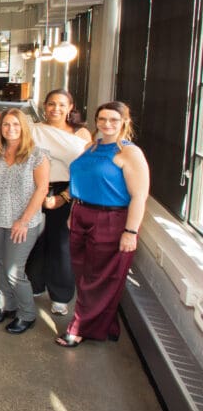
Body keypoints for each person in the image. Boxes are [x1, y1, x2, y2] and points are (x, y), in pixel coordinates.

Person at [57, 101, 149, 348]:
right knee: (84, 273)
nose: (107, 124)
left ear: (124, 123)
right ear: (96, 121)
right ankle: (105, 325)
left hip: (111, 219)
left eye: (114, 120)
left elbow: (139, 195)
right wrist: (74, 211)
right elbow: (83, 180)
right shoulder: (91, 146)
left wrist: (130, 231)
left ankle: (78, 327)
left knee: (99, 278)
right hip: (81, 214)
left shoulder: (129, 153)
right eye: (102, 119)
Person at [0, 109, 50, 334]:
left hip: (23, 222)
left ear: (23, 127)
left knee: (14, 270)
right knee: (2, 264)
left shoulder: (37, 155)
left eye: (15, 125)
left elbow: (41, 190)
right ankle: (6, 306)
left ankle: (27, 314)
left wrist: (23, 220)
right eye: (6, 125)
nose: (10, 129)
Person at [29, 90, 92, 316]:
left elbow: (85, 170)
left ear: (70, 107)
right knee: (34, 237)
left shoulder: (81, 134)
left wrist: (63, 197)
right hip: (37, 188)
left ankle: (61, 295)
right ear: (44, 106)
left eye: (61, 105)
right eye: (51, 104)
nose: (56, 109)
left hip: (67, 191)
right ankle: (34, 283)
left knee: (60, 243)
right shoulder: (35, 130)